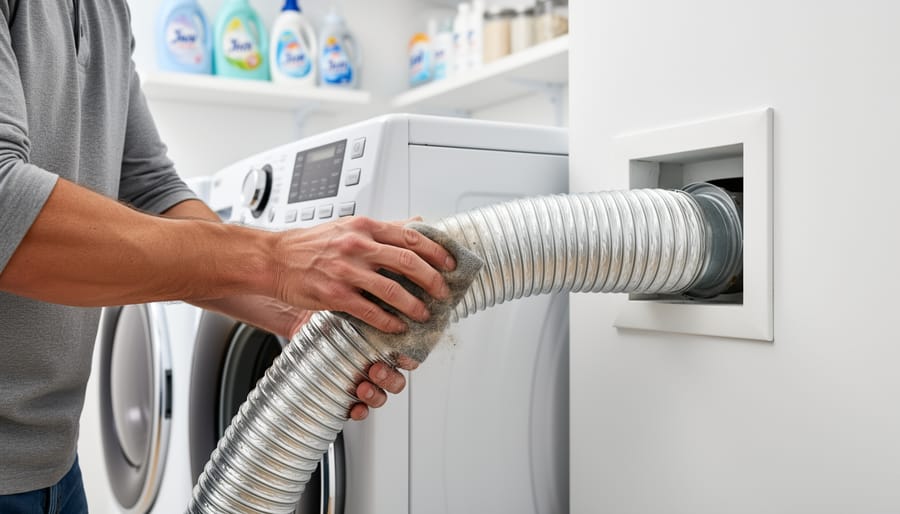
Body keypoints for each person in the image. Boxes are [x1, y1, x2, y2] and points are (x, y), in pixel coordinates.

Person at [0, 2, 456, 512]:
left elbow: (151, 189)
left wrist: (295, 315)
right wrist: (278, 261)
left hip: (55, 466)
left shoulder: (108, 9)